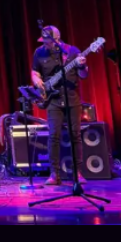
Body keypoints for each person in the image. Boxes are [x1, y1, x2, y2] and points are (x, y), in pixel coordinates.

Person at [31, 26, 89, 186]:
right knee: (53, 136)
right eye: (43, 41)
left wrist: (82, 66)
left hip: (72, 99)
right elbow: (35, 72)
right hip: (53, 100)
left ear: (56, 40)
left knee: (75, 135)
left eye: (47, 41)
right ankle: (54, 174)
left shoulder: (72, 51)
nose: (45, 44)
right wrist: (37, 81)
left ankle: (78, 173)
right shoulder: (39, 52)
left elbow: (84, 75)